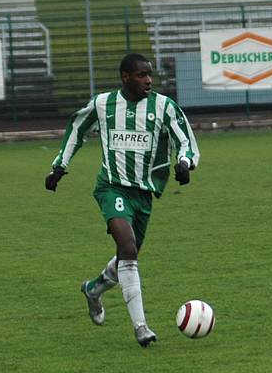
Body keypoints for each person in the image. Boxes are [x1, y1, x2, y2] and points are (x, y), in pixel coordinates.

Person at [44, 53, 200, 347]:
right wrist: (58, 166)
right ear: (125, 77)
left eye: (150, 74)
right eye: (142, 75)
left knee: (128, 256)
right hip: (111, 188)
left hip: (143, 193)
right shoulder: (103, 104)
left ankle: (93, 289)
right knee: (127, 247)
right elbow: (77, 128)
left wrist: (185, 163)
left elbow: (186, 142)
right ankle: (141, 327)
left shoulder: (164, 106)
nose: (149, 80)